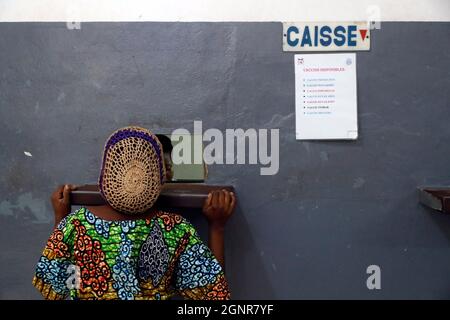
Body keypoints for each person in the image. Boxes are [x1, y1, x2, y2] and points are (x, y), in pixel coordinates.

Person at [32, 126, 235, 300]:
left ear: (106, 174)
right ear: (160, 178)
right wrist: (217, 227)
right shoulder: (176, 229)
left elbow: (54, 288)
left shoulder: (75, 226)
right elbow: (213, 295)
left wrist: (61, 218)